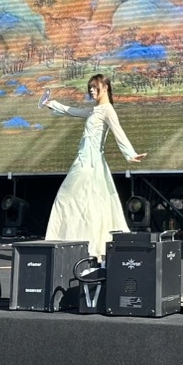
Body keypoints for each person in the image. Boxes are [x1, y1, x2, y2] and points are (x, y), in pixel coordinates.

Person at [40, 73, 145, 260]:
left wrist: (130, 153)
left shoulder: (107, 110)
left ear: (105, 88)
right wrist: (51, 103)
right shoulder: (94, 110)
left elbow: (118, 131)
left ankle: (80, 244)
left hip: (89, 164)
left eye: (95, 87)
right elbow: (71, 110)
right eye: (90, 88)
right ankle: (77, 243)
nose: (91, 90)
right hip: (85, 161)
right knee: (85, 203)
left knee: (70, 199)